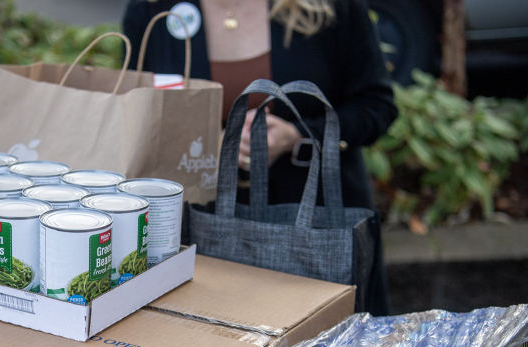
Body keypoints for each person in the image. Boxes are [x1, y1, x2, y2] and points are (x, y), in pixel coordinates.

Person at [122, 0, 398, 211]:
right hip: (201, 221)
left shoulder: (329, 6)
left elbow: (376, 105)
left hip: (317, 218)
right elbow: (137, 119)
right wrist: (207, 144)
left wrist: (299, 135)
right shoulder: (151, 10)